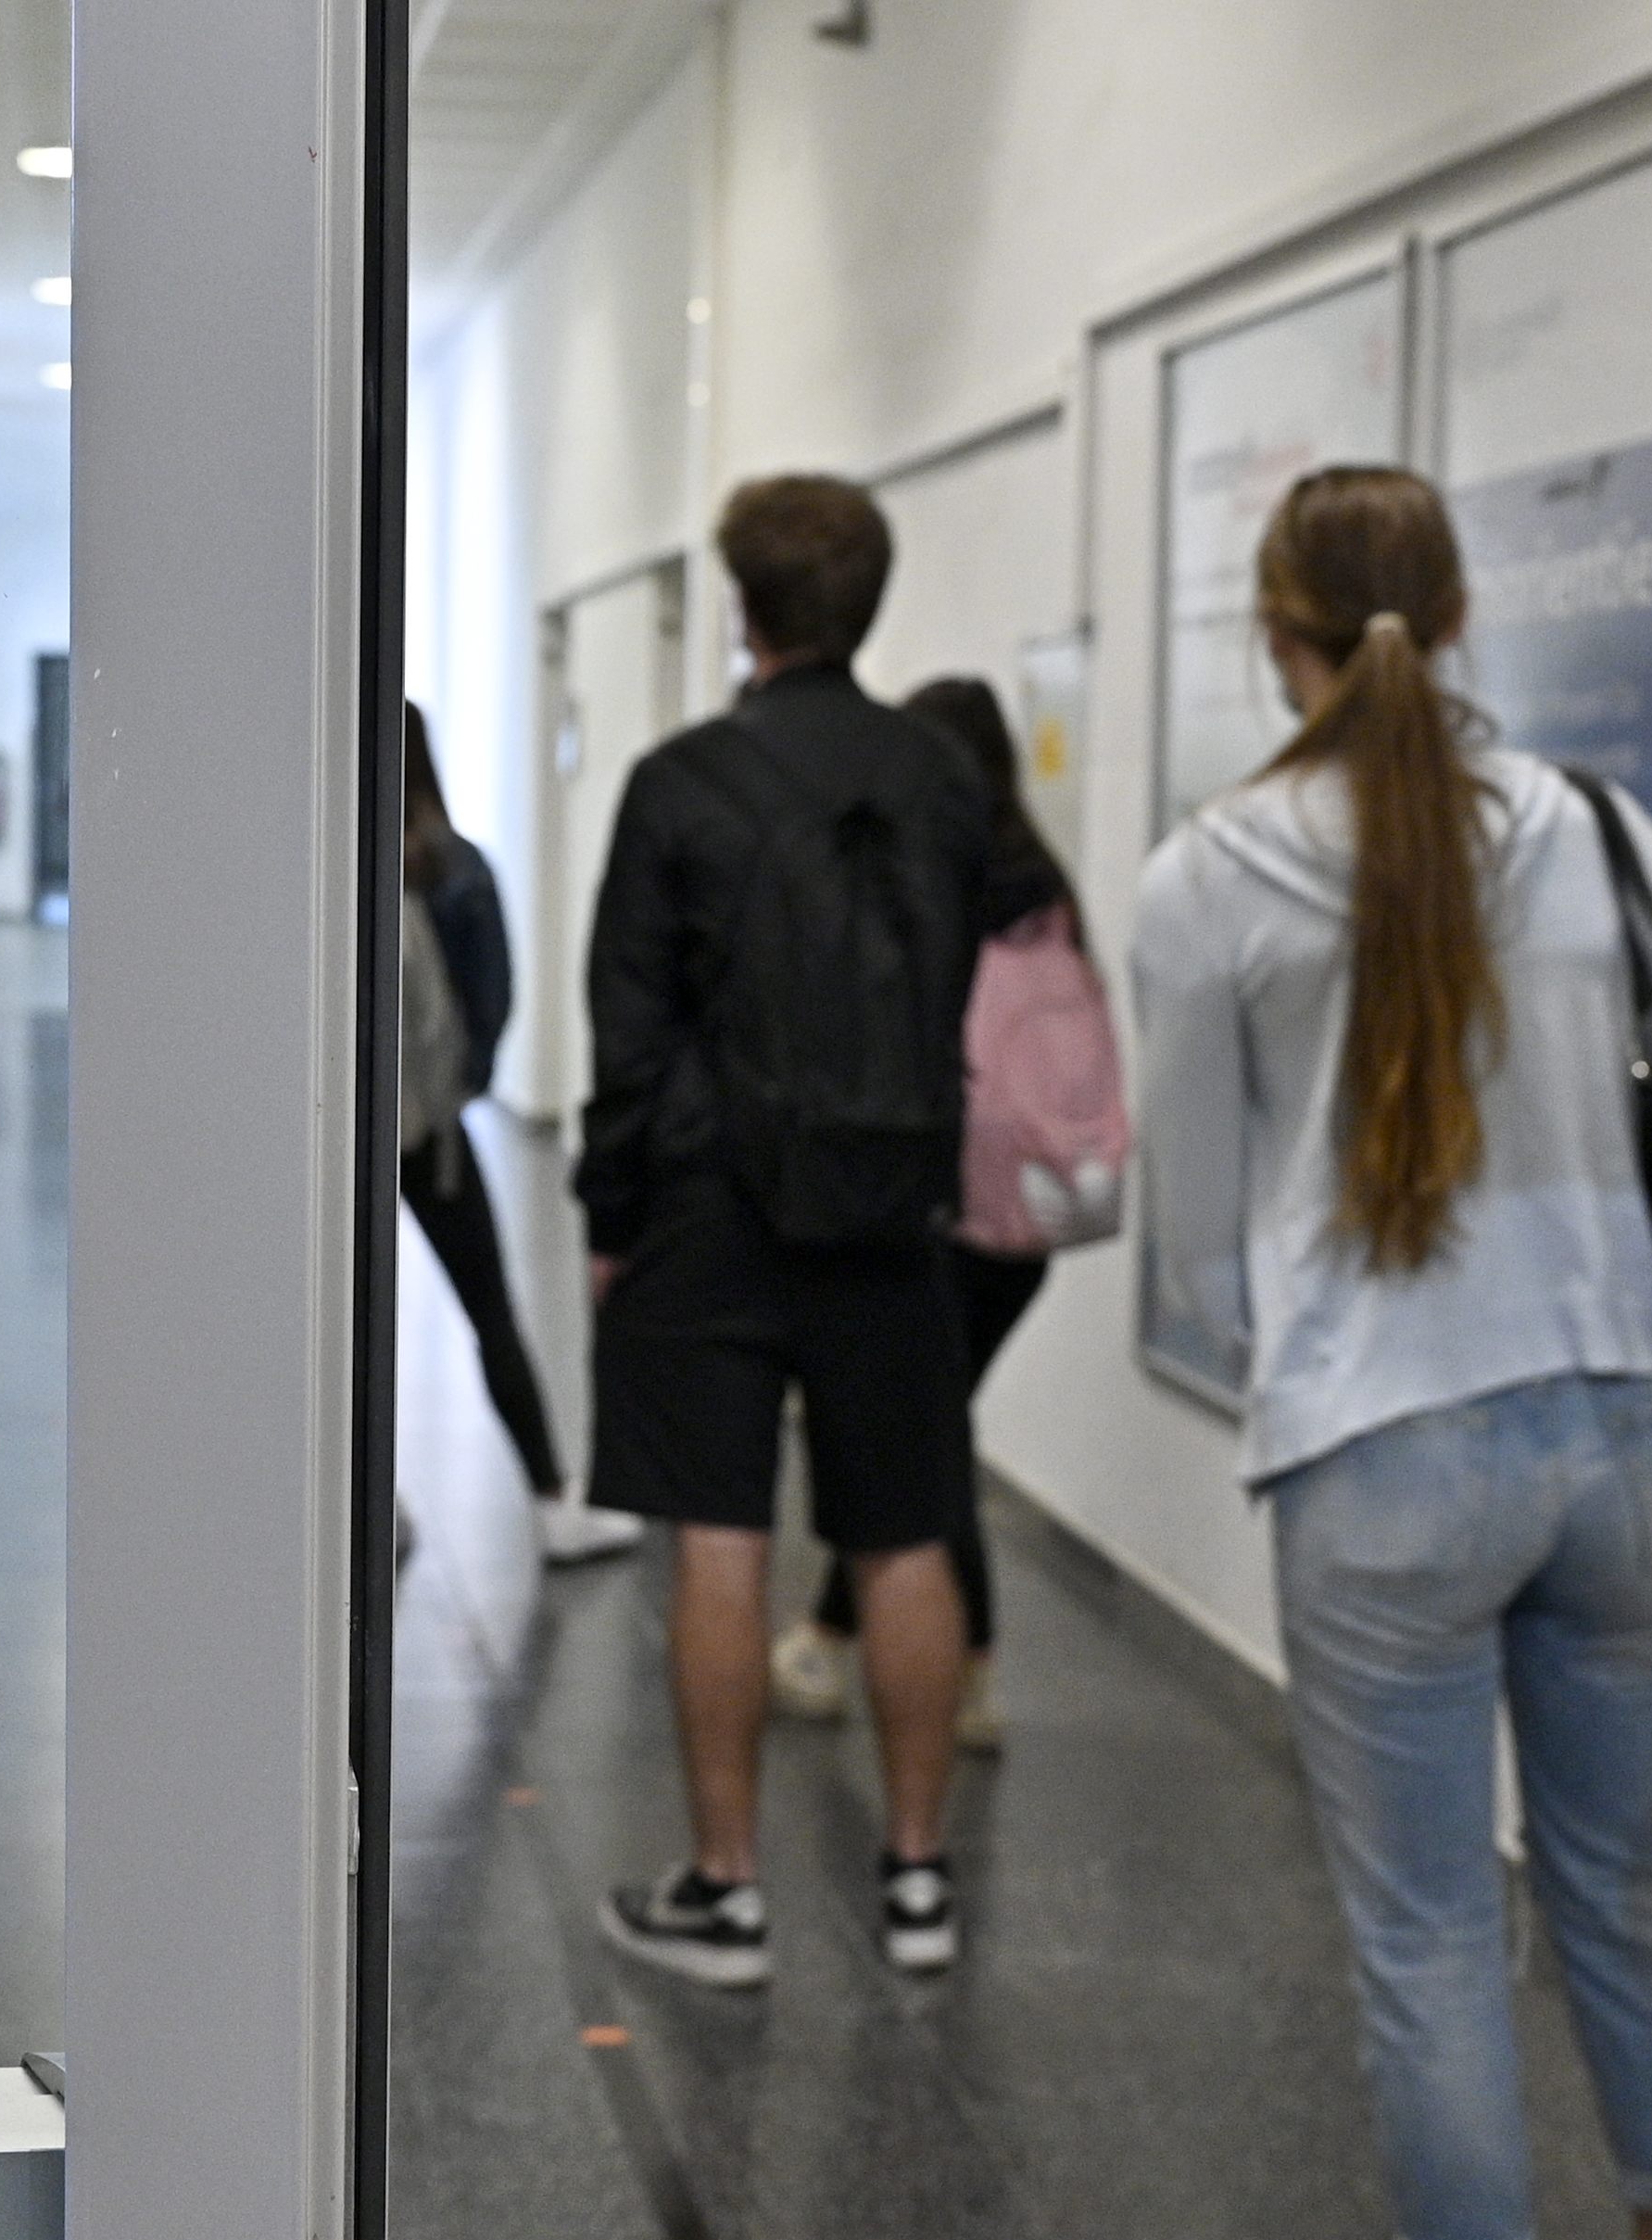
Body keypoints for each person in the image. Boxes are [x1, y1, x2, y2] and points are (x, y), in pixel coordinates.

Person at [1134, 464, 1652, 2240]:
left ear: (1274, 640)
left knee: (1426, 1944)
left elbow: (1191, 1233)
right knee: (1623, 1887)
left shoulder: (1205, 873)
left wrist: (1313, 1332)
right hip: (1630, 1432)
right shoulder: (1600, 828)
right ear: (1459, 616)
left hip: (1380, 1446)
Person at [579, 476, 991, 1987]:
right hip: (890, 1208)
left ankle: (728, 1889)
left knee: (723, 1532)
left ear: (743, 611)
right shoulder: (943, 778)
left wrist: (611, 1214)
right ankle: (918, 1877)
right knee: (901, 1532)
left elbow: (626, 1034)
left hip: (712, 1209)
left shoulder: (680, 783)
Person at [769, 676, 1080, 1753]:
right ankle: (832, 1635)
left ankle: (953, 1669)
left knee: (931, 1447)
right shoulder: (1044, 885)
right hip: (1030, 1218)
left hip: (941, 1205)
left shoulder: (932, 880)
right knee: (936, 1432)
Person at [398, 703, 643, 1569]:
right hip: (432, 1140)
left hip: (339, 1136)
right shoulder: (457, 867)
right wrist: (452, 1091)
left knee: (337, 1319)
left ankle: (363, 1502)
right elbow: (493, 1005)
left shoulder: (325, 867)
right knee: (489, 1308)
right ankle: (549, 1500)